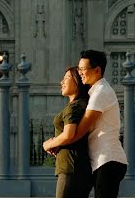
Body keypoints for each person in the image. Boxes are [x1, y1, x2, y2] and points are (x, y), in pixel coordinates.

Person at [67, 50, 128, 198]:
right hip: (101, 161)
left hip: (108, 159)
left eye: (83, 69)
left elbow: (80, 131)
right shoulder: (94, 92)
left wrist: (55, 143)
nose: (80, 73)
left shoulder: (101, 92)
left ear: (97, 70)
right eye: (79, 69)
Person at [42, 67, 92, 198]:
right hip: (79, 168)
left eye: (66, 78)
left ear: (77, 82)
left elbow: (69, 134)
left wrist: (48, 144)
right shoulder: (82, 104)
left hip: (71, 167)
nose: (61, 82)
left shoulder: (74, 107)